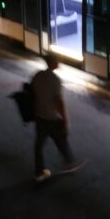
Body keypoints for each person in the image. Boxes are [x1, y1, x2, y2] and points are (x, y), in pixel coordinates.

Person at [31, 53, 85, 183]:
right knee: (60, 139)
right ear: (53, 63)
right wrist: (65, 118)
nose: (59, 62)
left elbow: (32, 92)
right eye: (57, 61)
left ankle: (39, 172)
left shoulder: (38, 75)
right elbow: (58, 101)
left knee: (39, 145)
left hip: (39, 116)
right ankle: (69, 163)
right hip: (50, 117)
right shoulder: (55, 80)